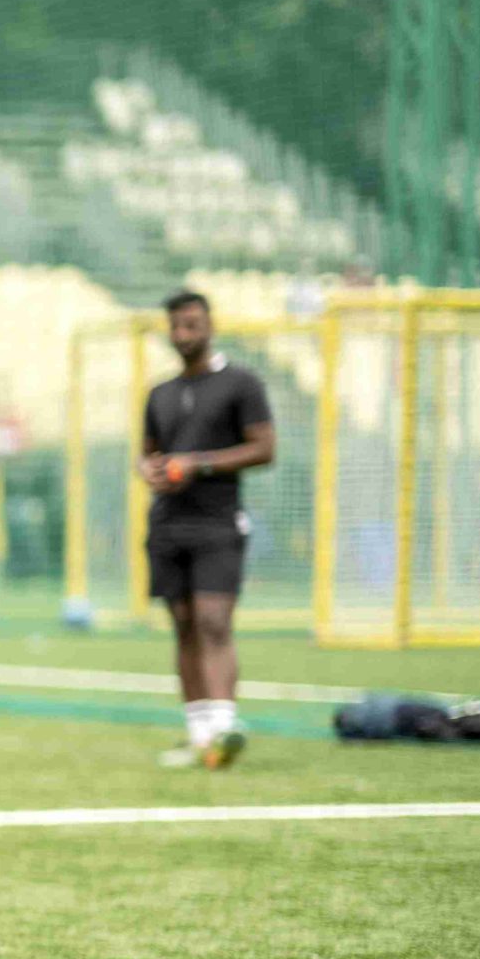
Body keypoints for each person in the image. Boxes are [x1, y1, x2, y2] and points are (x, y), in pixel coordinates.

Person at [142, 290, 274, 769]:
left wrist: (198, 464)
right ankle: (200, 736)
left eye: (192, 325)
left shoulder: (241, 384)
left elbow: (264, 448)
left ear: (209, 325)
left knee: (213, 621)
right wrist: (151, 470)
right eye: (176, 326)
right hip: (167, 525)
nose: (184, 334)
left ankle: (223, 729)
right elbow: (149, 453)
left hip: (218, 522)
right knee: (182, 626)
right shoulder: (160, 393)